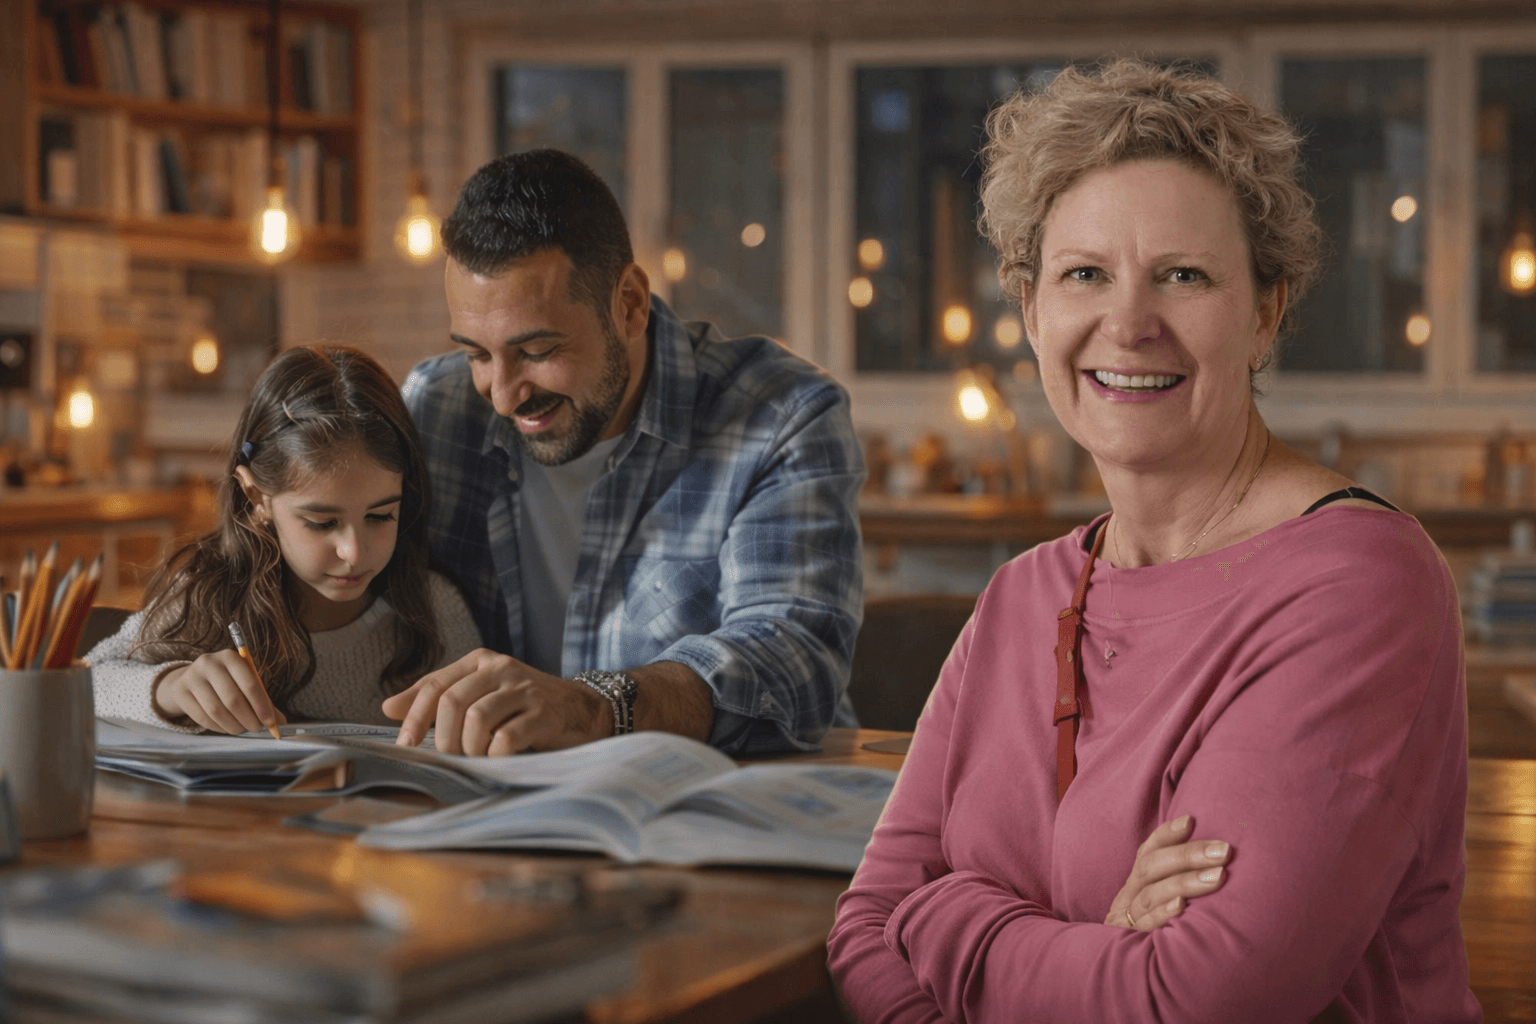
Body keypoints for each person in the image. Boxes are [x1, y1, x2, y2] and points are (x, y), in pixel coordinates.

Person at [828, 60, 1479, 1023]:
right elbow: (861, 932)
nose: (1128, 324)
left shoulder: (1358, 584)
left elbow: (1190, 1002)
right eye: (1085, 274)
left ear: (1265, 312)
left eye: (1183, 275)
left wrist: (949, 916)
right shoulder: (1020, 598)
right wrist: (1089, 947)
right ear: (1031, 308)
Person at [391, 148, 864, 758]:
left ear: (630, 305)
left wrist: (593, 707)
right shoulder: (436, 408)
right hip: (490, 807)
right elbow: (329, 568)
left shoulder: (781, 415)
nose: (504, 395)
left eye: (537, 350)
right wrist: (228, 647)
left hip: (724, 813)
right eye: (478, 354)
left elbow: (791, 661)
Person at [90, 345, 481, 734]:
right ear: (256, 498)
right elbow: (86, 681)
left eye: (380, 516)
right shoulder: (208, 595)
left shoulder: (436, 608)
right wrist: (168, 688)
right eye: (322, 522)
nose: (354, 552)